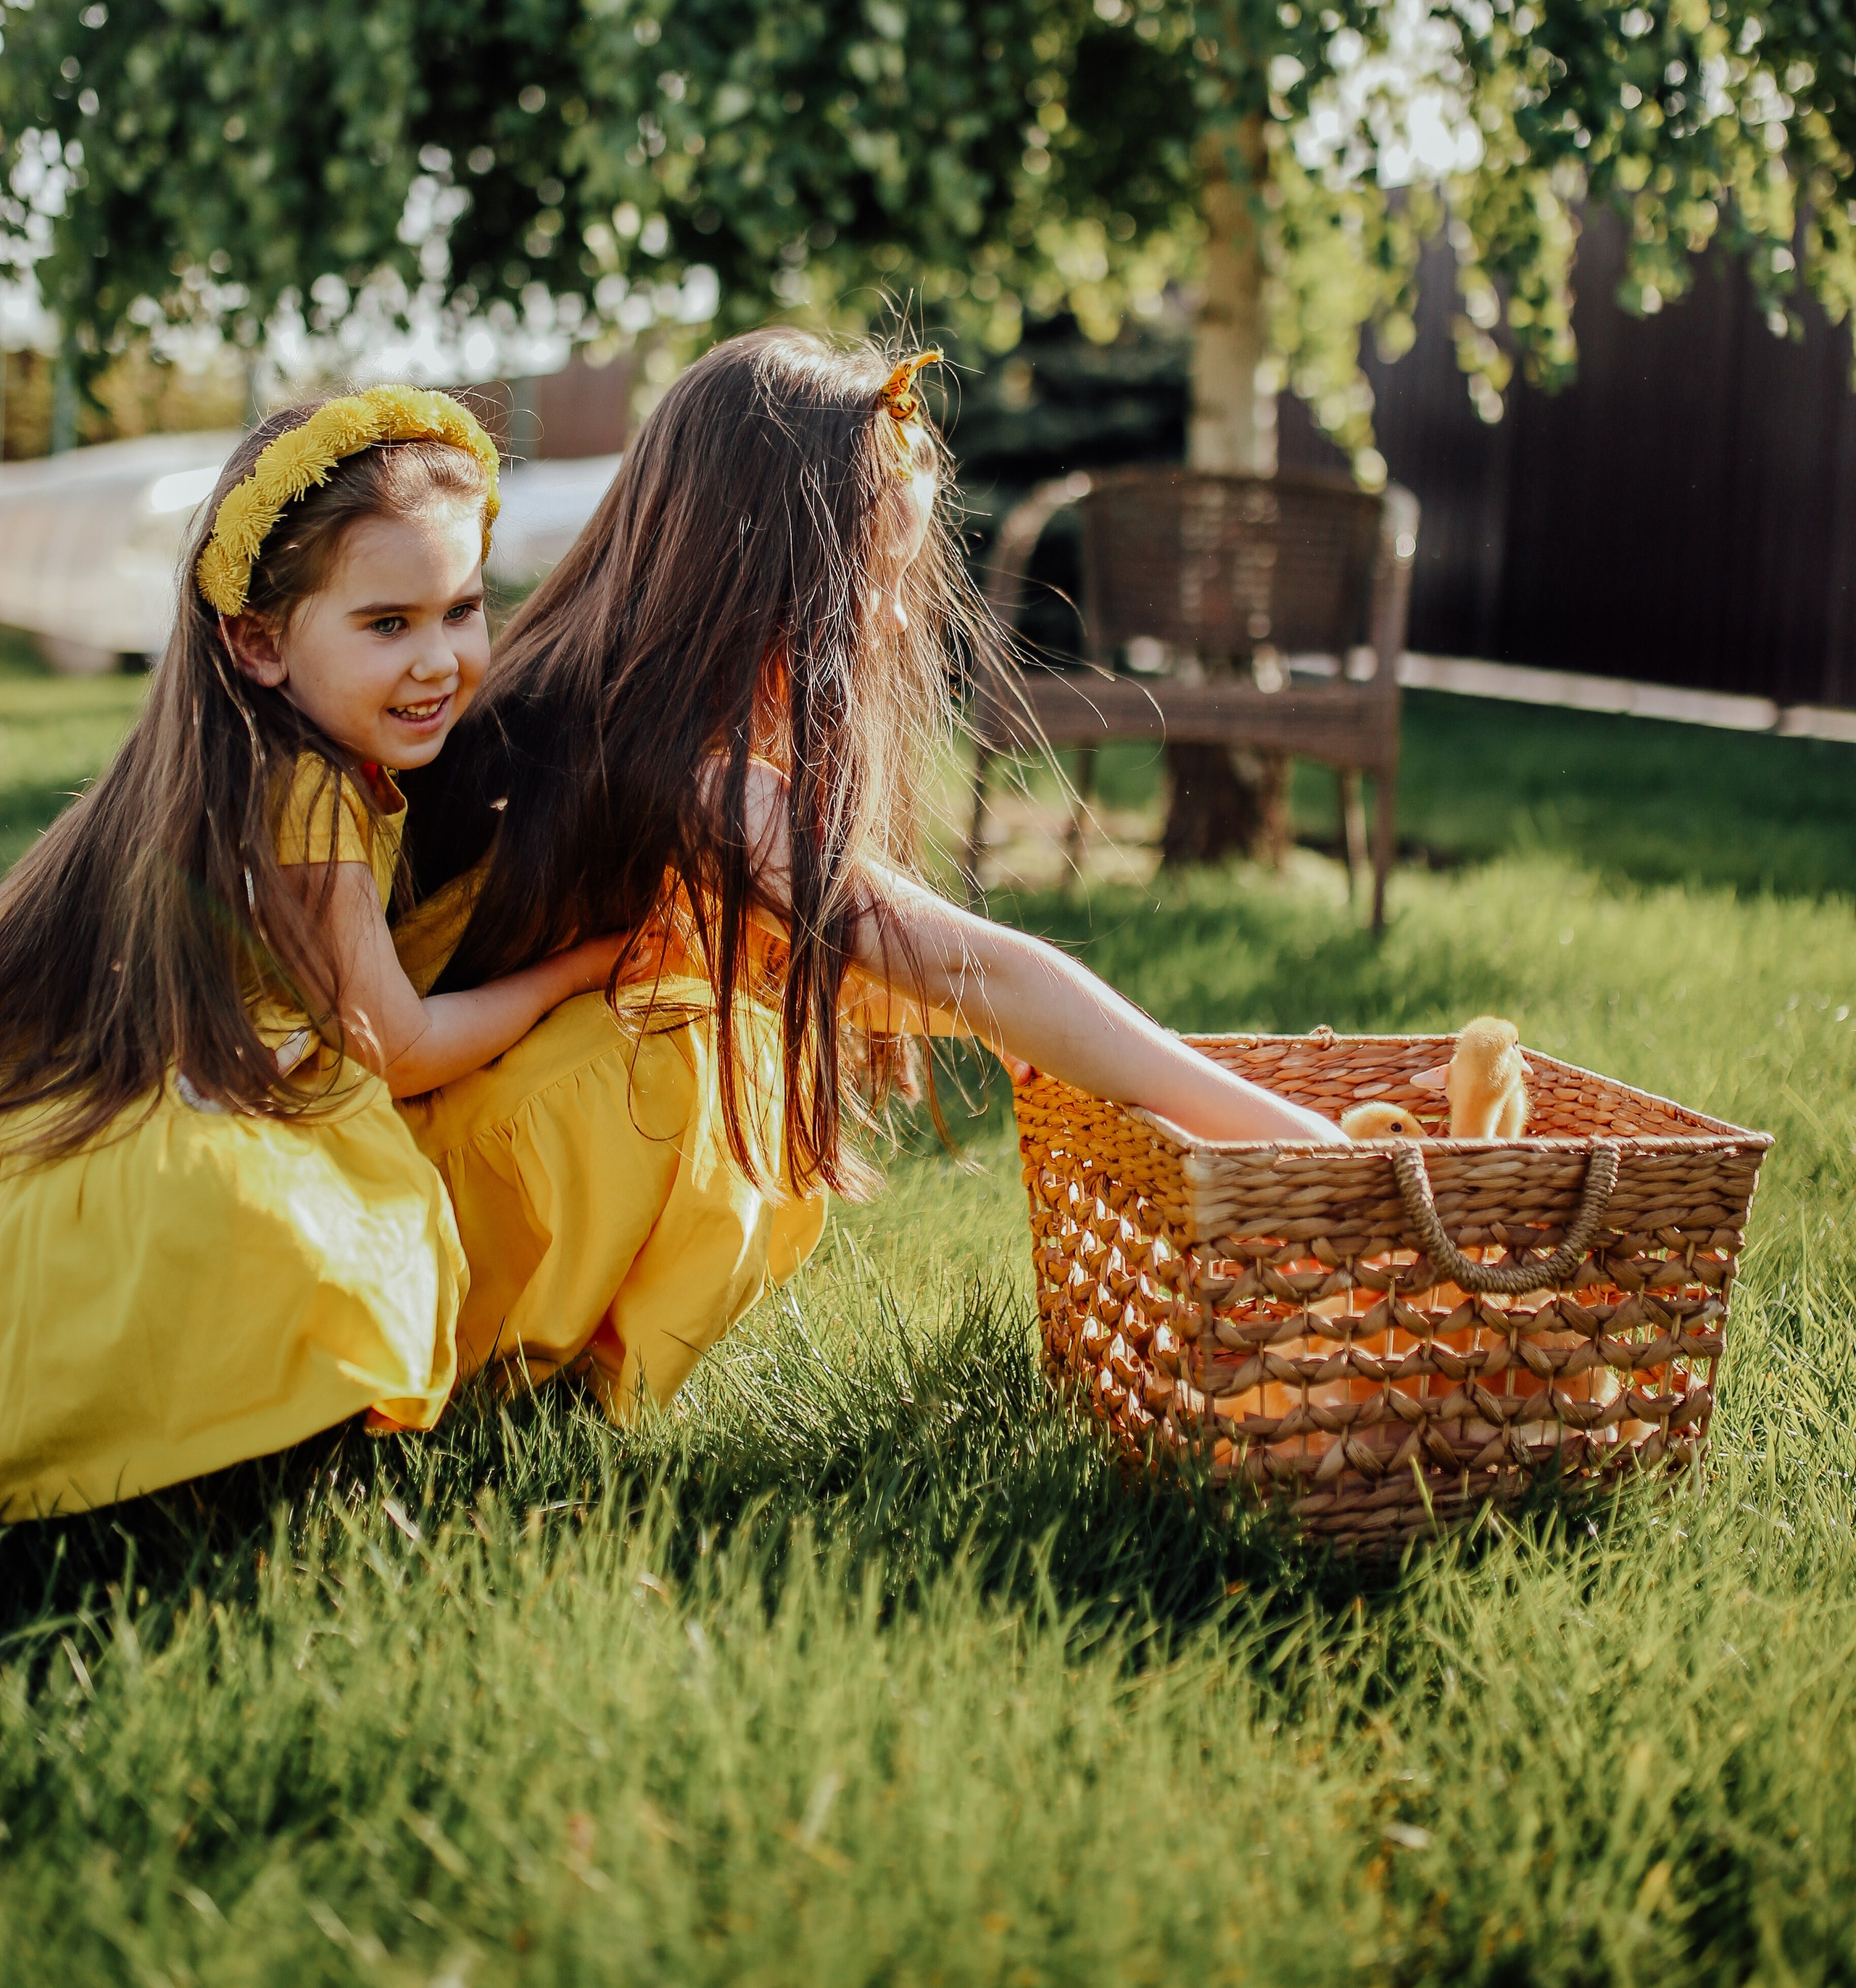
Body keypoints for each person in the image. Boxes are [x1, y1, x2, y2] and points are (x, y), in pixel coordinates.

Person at [394, 331, 1346, 1419]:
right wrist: (1294, 1136)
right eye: (874, 577)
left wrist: (1010, 1028)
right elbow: (958, 960)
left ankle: (541, 1353)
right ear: (765, 568)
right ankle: (510, 1363)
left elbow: (868, 968)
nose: (894, 617)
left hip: (444, 1160)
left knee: (718, 1008)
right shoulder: (693, 777)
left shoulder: (614, 704)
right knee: (686, 1057)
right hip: (434, 1206)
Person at [0, 386, 626, 1520]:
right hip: (197, 1099)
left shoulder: (295, 759)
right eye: (389, 625)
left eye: (462, 609)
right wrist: (573, 973)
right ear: (259, 643)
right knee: (329, 1241)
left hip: (220, 1068)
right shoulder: (308, 796)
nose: (439, 660)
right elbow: (397, 1041)